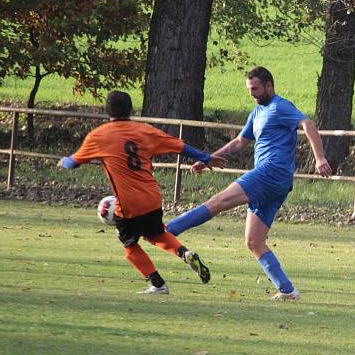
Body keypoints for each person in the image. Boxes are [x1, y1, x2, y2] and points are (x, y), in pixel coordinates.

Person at [166, 66, 332, 301]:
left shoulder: (280, 106)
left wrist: (320, 158)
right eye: (249, 89)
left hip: (270, 173)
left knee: (219, 201)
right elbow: (239, 142)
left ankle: (167, 230)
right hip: (276, 182)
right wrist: (208, 159)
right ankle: (287, 290)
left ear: (269, 85)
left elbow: (308, 124)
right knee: (254, 241)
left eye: (255, 89)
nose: (252, 93)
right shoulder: (256, 113)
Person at [58, 91, 224, 294]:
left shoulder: (99, 135)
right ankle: (185, 253)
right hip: (152, 197)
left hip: (128, 203)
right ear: (131, 110)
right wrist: (206, 158)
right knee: (156, 234)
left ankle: (158, 284)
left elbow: (73, 163)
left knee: (129, 247)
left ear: (107, 111)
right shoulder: (144, 130)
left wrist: (63, 161)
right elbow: (179, 146)